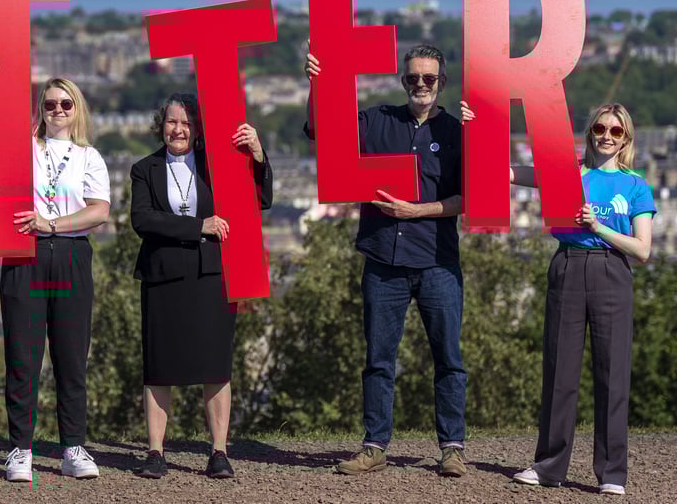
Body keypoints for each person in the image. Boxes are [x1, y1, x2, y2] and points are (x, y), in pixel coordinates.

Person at [461, 101, 653, 496]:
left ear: (626, 139)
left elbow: (643, 249)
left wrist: (598, 227)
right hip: (567, 264)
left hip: (612, 270)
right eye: (600, 128)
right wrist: (474, 126)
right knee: (559, 369)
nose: (606, 136)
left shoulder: (636, 185)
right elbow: (504, 171)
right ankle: (549, 466)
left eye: (616, 131)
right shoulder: (567, 173)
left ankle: (612, 473)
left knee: (613, 373)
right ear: (590, 132)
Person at [303, 43, 468, 477]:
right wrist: (317, 83)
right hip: (382, 261)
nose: (420, 85)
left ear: (442, 81)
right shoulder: (377, 120)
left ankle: (452, 448)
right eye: (413, 77)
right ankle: (375, 446)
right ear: (403, 80)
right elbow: (322, 130)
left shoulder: (456, 132)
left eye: (429, 78)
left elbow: (467, 198)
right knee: (378, 359)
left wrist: (418, 211)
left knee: (448, 357)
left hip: (437, 261)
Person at [0, 46, 109, 482]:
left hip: (71, 255)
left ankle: (73, 447)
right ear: (40, 110)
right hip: (23, 255)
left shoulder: (89, 156)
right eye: (49, 104)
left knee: (71, 357)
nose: (58, 110)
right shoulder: (20, 146)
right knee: (22, 357)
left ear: (77, 109)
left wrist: (53, 223)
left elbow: (99, 211)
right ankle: (20, 449)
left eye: (66, 103)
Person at [130, 91, 272, 480]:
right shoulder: (144, 169)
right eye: (172, 121)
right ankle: (155, 452)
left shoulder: (218, 163)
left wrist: (257, 153)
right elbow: (142, 219)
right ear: (161, 125)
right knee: (159, 368)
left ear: (197, 128)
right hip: (162, 276)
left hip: (211, 275)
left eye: (186, 123)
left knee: (215, 366)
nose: (178, 129)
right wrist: (199, 226)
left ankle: (219, 452)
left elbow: (260, 198)